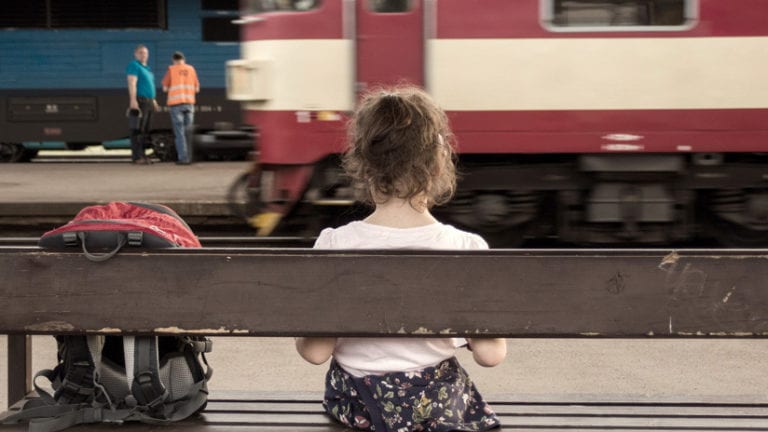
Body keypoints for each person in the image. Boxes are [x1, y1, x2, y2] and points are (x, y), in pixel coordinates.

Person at [295, 85, 507, 432]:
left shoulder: (335, 243)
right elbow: (490, 356)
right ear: (438, 163)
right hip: (437, 407)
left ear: (363, 166)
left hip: (359, 407)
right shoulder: (467, 248)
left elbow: (315, 353)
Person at [161, 51, 200, 165]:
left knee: (180, 132)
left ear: (174, 60)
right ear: (184, 59)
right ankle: (191, 158)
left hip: (176, 104)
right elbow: (197, 89)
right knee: (189, 132)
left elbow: (164, 88)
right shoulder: (191, 69)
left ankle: (183, 158)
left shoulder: (171, 70)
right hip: (189, 104)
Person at [126, 44, 159, 165]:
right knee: (137, 130)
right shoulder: (134, 65)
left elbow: (150, 85)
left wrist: (153, 100)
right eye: (141, 52)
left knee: (145, 130)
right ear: (135, 54)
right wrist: (133, 100)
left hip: (149, 101)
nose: (143, 55)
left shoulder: (148, 69)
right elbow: (132, 83)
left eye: (145, 53)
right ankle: (137, 157)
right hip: (140, 101)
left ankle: (143, 155)